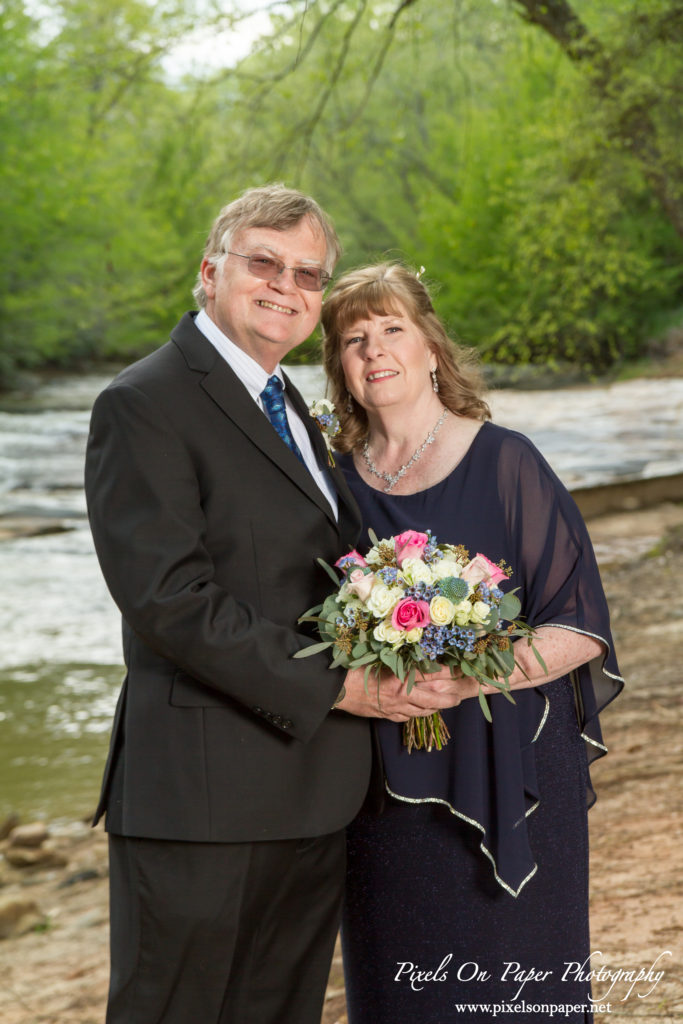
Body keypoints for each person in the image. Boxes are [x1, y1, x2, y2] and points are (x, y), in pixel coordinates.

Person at [84, 189, 456, 1024]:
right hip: (202, 798)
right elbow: (168, 600)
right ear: (210, 271)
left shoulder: (292, 403)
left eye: (307, 273)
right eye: (264, 263)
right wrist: (340, 685)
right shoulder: (143, 403)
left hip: (313, 788)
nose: (285, 285)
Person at [321, 262, 624, 1023]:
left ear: (430, 348)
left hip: (512, 761)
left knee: (512, 978)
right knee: (398, 983)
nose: (374, 350)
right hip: (385, 780)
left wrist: (469, 679)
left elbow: (578, 625)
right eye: (354, 338)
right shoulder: (332, 485)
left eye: (392, 329)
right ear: (339, 368)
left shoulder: (506, 461)